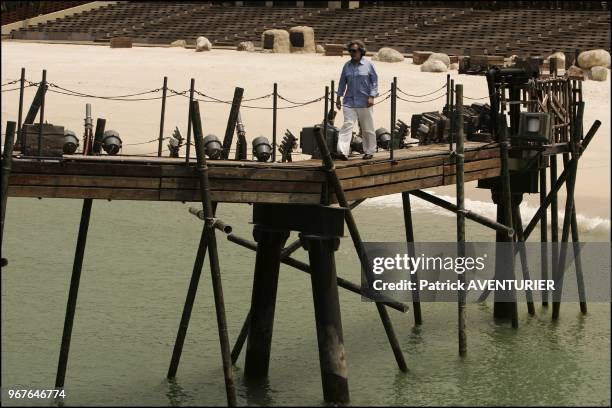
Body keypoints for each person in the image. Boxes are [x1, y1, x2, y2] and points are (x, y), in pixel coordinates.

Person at [335, 39, 379, 160]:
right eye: (350, 51)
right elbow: (342, 82)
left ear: (361, 51)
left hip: (365, 102)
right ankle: (342, 151)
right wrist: (338, 97)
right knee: (347, 125)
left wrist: (372, 96)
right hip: (349, 101)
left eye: (354, 51)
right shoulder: (347, 66)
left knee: (367, 127)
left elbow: (374, 81)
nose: (352, 53)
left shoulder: (369, 65)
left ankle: (369, 151)